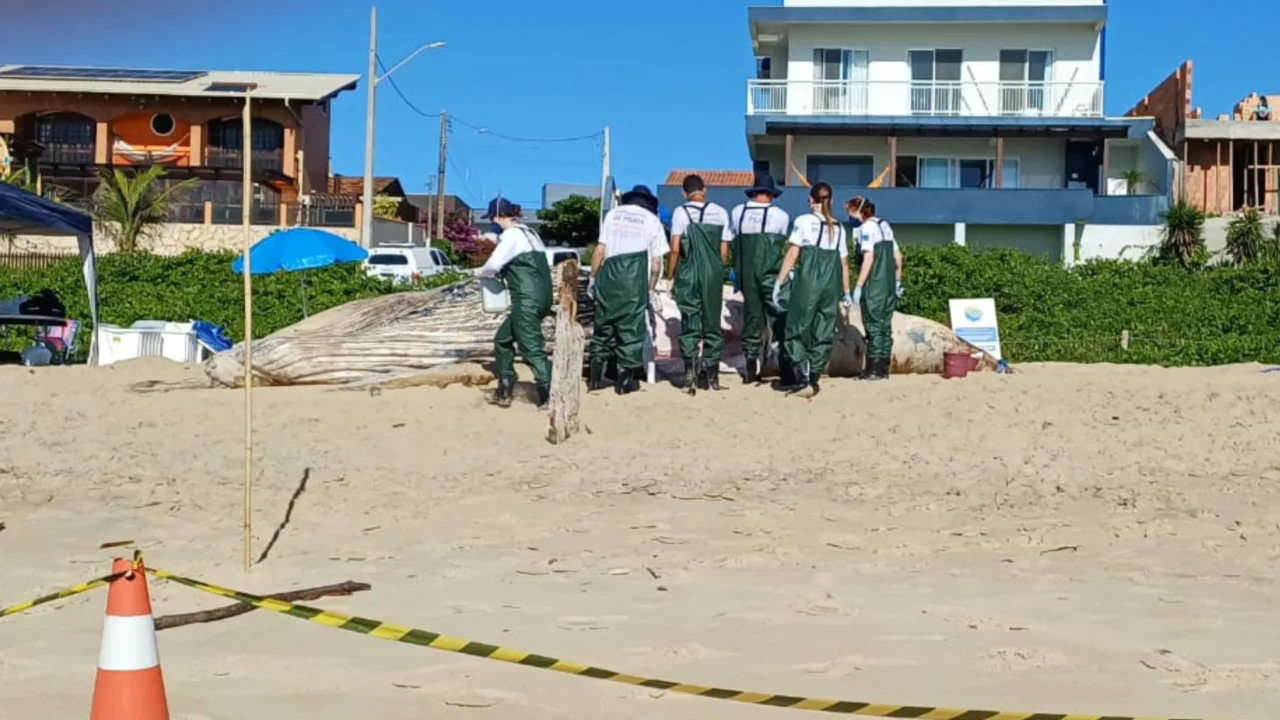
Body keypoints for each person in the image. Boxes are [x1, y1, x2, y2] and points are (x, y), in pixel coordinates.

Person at [771, 182, 851, 395]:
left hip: (810, 280)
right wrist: (848, 292)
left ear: (811, 200)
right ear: (831, 201)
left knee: (796, 327)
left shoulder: (804, 221)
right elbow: (844, 263)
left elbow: (792, 254)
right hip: (832, 282)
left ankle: (803, 374)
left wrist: (779, 282)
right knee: (824, 330)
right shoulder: (840, 228)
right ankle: (813, 375)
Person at [589, 185, 669, 395]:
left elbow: (600, 251)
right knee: (631, 331)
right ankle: (624, 382)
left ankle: (595, 379)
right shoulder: (653, 222)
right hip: (634, 282)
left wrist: (592, 278)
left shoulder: (613, 215)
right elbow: (656, 264)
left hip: (609, 277)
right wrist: (650, 289)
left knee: (603, 326)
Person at [478, 197, 553, 407]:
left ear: (497, 216)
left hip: (526, 298)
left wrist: (481, 273)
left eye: (492, 217)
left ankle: (548, 394)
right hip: (543, 296)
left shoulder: (510, 235)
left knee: (531, 348)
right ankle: (505, 388)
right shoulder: (531, 233)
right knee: (502, 339)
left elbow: (493, 264)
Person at [668, 174, 733, 392]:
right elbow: (724, 250)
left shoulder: (680, 212)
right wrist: (717, 271)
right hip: (713, 273)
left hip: (689, 272)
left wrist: (671, 276)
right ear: (704, 189)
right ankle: (713, 377)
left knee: (690, 322)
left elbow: (675, 247)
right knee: (712, 322)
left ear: (683, 193)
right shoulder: (721, 212)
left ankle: (690, 376)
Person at [730, 171, 791, 385]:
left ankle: (750, 368)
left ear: (753, 193)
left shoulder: (738, 212)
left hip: (746, 273)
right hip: (771, 274)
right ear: (772, 195)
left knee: (752, 317)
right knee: (781, 314)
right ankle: (786, 366)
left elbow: (733, 242)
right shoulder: (781, 216)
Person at [848, 196, 903, 381]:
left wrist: (859, 285)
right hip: (888, 285)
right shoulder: (885, 225)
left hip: (875, 284)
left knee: (873, 326)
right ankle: (883, 368)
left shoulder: (867, 228)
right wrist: (897, 282)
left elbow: (868, 258)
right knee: (885, 326)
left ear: (858, 211)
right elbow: (898, 257)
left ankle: (873, 370)